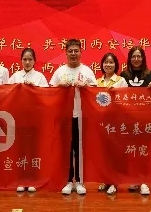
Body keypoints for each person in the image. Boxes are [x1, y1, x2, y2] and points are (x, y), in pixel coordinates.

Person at [49, 39, 97, 196]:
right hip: (65, 116)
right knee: (67, 149)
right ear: (66, 53)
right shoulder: (60, 72)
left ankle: (80, 181)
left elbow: (96, 92)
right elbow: (50, 92)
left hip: (82, 115)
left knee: (80, 149)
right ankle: (69, 181)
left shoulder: (87, 71)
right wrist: (60, 86)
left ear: (81, 52)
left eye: (76, 50)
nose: (73, 53)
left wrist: (86, 87)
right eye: (70, 51)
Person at [7, 47, 49, 193]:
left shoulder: (40, 77)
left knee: (33, 150)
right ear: (21, 61)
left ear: (34, 61)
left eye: (30, 59)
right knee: (20, 149)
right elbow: (7, 94)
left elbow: (46, 95)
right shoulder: (15, 76)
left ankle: (33, 180)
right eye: (24, 59)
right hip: (18, 118)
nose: (27, 62)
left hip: (34, 119)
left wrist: (34, 90)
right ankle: (21, 179)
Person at [119, 46, 151, 196]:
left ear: (143, 58)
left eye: (139, 56)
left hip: (145, 120)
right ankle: (135, 179)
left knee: (143, 151)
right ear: (129, 59)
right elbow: (119, 96)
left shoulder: (150, 75)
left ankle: (143, 181)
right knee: (131, 151)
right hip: (129, 120)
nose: (136, 59)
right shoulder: (123, 75)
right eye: (133, 56)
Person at [95, 53, 127, 195]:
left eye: (111, 62)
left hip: (116, 122)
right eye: (106, 62)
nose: (108, 65)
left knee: (115, 153)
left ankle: (114, 182)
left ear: (116, 65)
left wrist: (117, 93)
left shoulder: (121, 81)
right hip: (101, 123)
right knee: (103, 153)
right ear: (102, 65)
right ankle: (106, 179)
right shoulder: (97, 82)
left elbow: (126, 101)